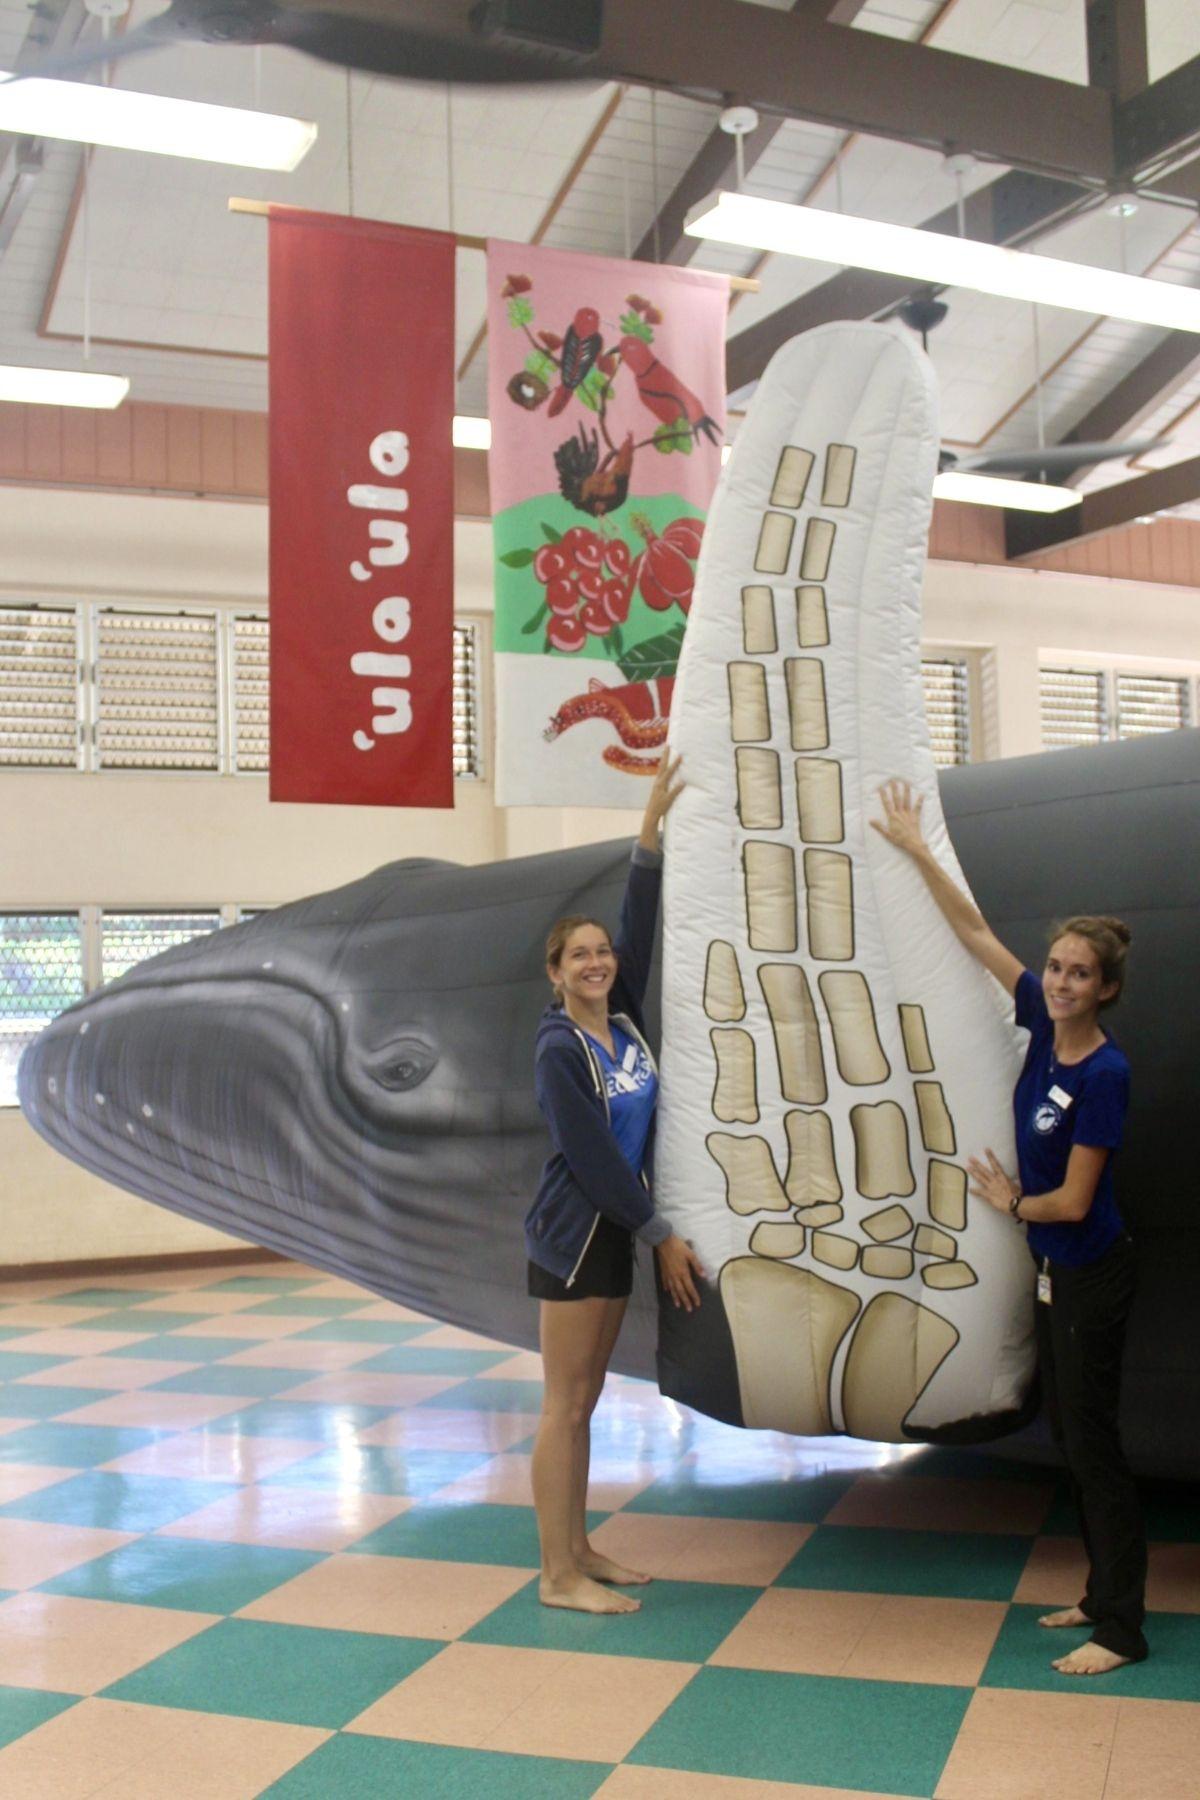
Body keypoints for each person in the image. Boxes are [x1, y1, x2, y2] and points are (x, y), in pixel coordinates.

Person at [872, 779, 1146, 1676]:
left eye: (1079, 974)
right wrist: (916, 848)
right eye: (1057, 968)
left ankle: (1122, 1628)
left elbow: (1071, 1201)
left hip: (1090, 1270)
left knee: (1095, 1446)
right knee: (1072, 1437)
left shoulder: (1105, 1074)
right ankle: (1098, 1593)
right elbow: (977, 934)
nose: (1061, 982)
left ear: (1104, 989)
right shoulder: (1038, 1019)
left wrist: (1007, 1204)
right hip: (1054, 1272)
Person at [527, 753, 706, 1615]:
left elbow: (641, 914)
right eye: (580, 956)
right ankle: (555, 1576)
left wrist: (648, 832)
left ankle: (580, 1547)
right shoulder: (560, 1049)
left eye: (602, 952)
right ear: (555, 974)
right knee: (563, 1405)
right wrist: (662, 1231)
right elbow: (594, 1159)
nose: (597, 963)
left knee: (586, 1402)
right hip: (573, 1237)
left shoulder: (624, 1018)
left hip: (611, 1235)